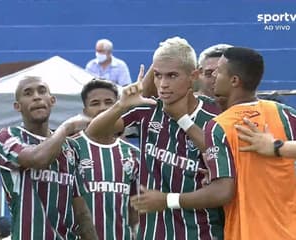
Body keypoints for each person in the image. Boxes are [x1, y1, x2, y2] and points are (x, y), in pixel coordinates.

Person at [87, 37, 224, 240]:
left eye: (172, 76)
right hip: (152, 233)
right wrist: (122, 105)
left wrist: (167, 200)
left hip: (200, 232)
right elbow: (94, 133)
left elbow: (223, 189)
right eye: (158, 76)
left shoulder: (215, 116)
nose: (163, 84)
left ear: (193, 75)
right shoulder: (148, 107)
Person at [158, 47, 296, 240]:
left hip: (249, 233)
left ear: (234, 81)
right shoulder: (283, 113)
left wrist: (166, 199)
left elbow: (223, 191)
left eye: (219, 71)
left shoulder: (218, 126)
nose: (213, 74)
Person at [0, 76, 98, 240]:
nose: (36, 96)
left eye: (42, 91)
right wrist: (66, 127)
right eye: (28, 93)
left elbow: (81, 211)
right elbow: (38, 159)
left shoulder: (71, 147)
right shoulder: (7, 136)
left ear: (52, 100)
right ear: (17, 106)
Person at [71, 79, 140, 240]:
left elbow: (134, 211)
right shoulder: (70, 148)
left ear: (118, 108)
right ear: (85, 110)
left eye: (109, 102)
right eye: (95, 103)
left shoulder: (132, 153)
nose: (102, 107)